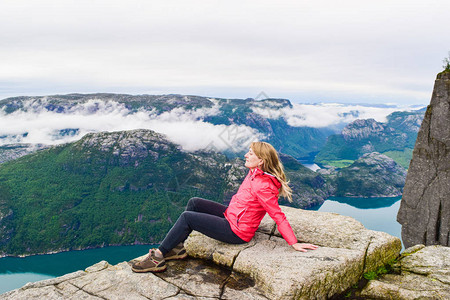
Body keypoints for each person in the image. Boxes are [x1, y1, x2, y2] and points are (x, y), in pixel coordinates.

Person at [132, 141, 318, 273]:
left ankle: (158, 257)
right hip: (231, 216)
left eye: (251, 153)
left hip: (236, 232)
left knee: (187, 217)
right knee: (194, 202)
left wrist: (293, 243)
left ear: (260, 160)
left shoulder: (264, 186)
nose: (246, 155)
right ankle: (177, 248)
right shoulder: (254, 172)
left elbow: (278, 215)